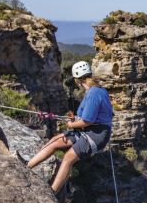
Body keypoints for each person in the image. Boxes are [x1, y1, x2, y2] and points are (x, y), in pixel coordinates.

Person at [21, 61, 114, 193]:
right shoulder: (98, 90)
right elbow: (90, 117)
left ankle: (53, 191)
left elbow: (87, 121)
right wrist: (75, 119)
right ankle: (27, 165)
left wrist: (71, 124)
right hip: (91, 130)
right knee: (56, 140)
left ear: (78, 80)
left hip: (96, 134)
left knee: (69, 157)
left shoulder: (93, 93)